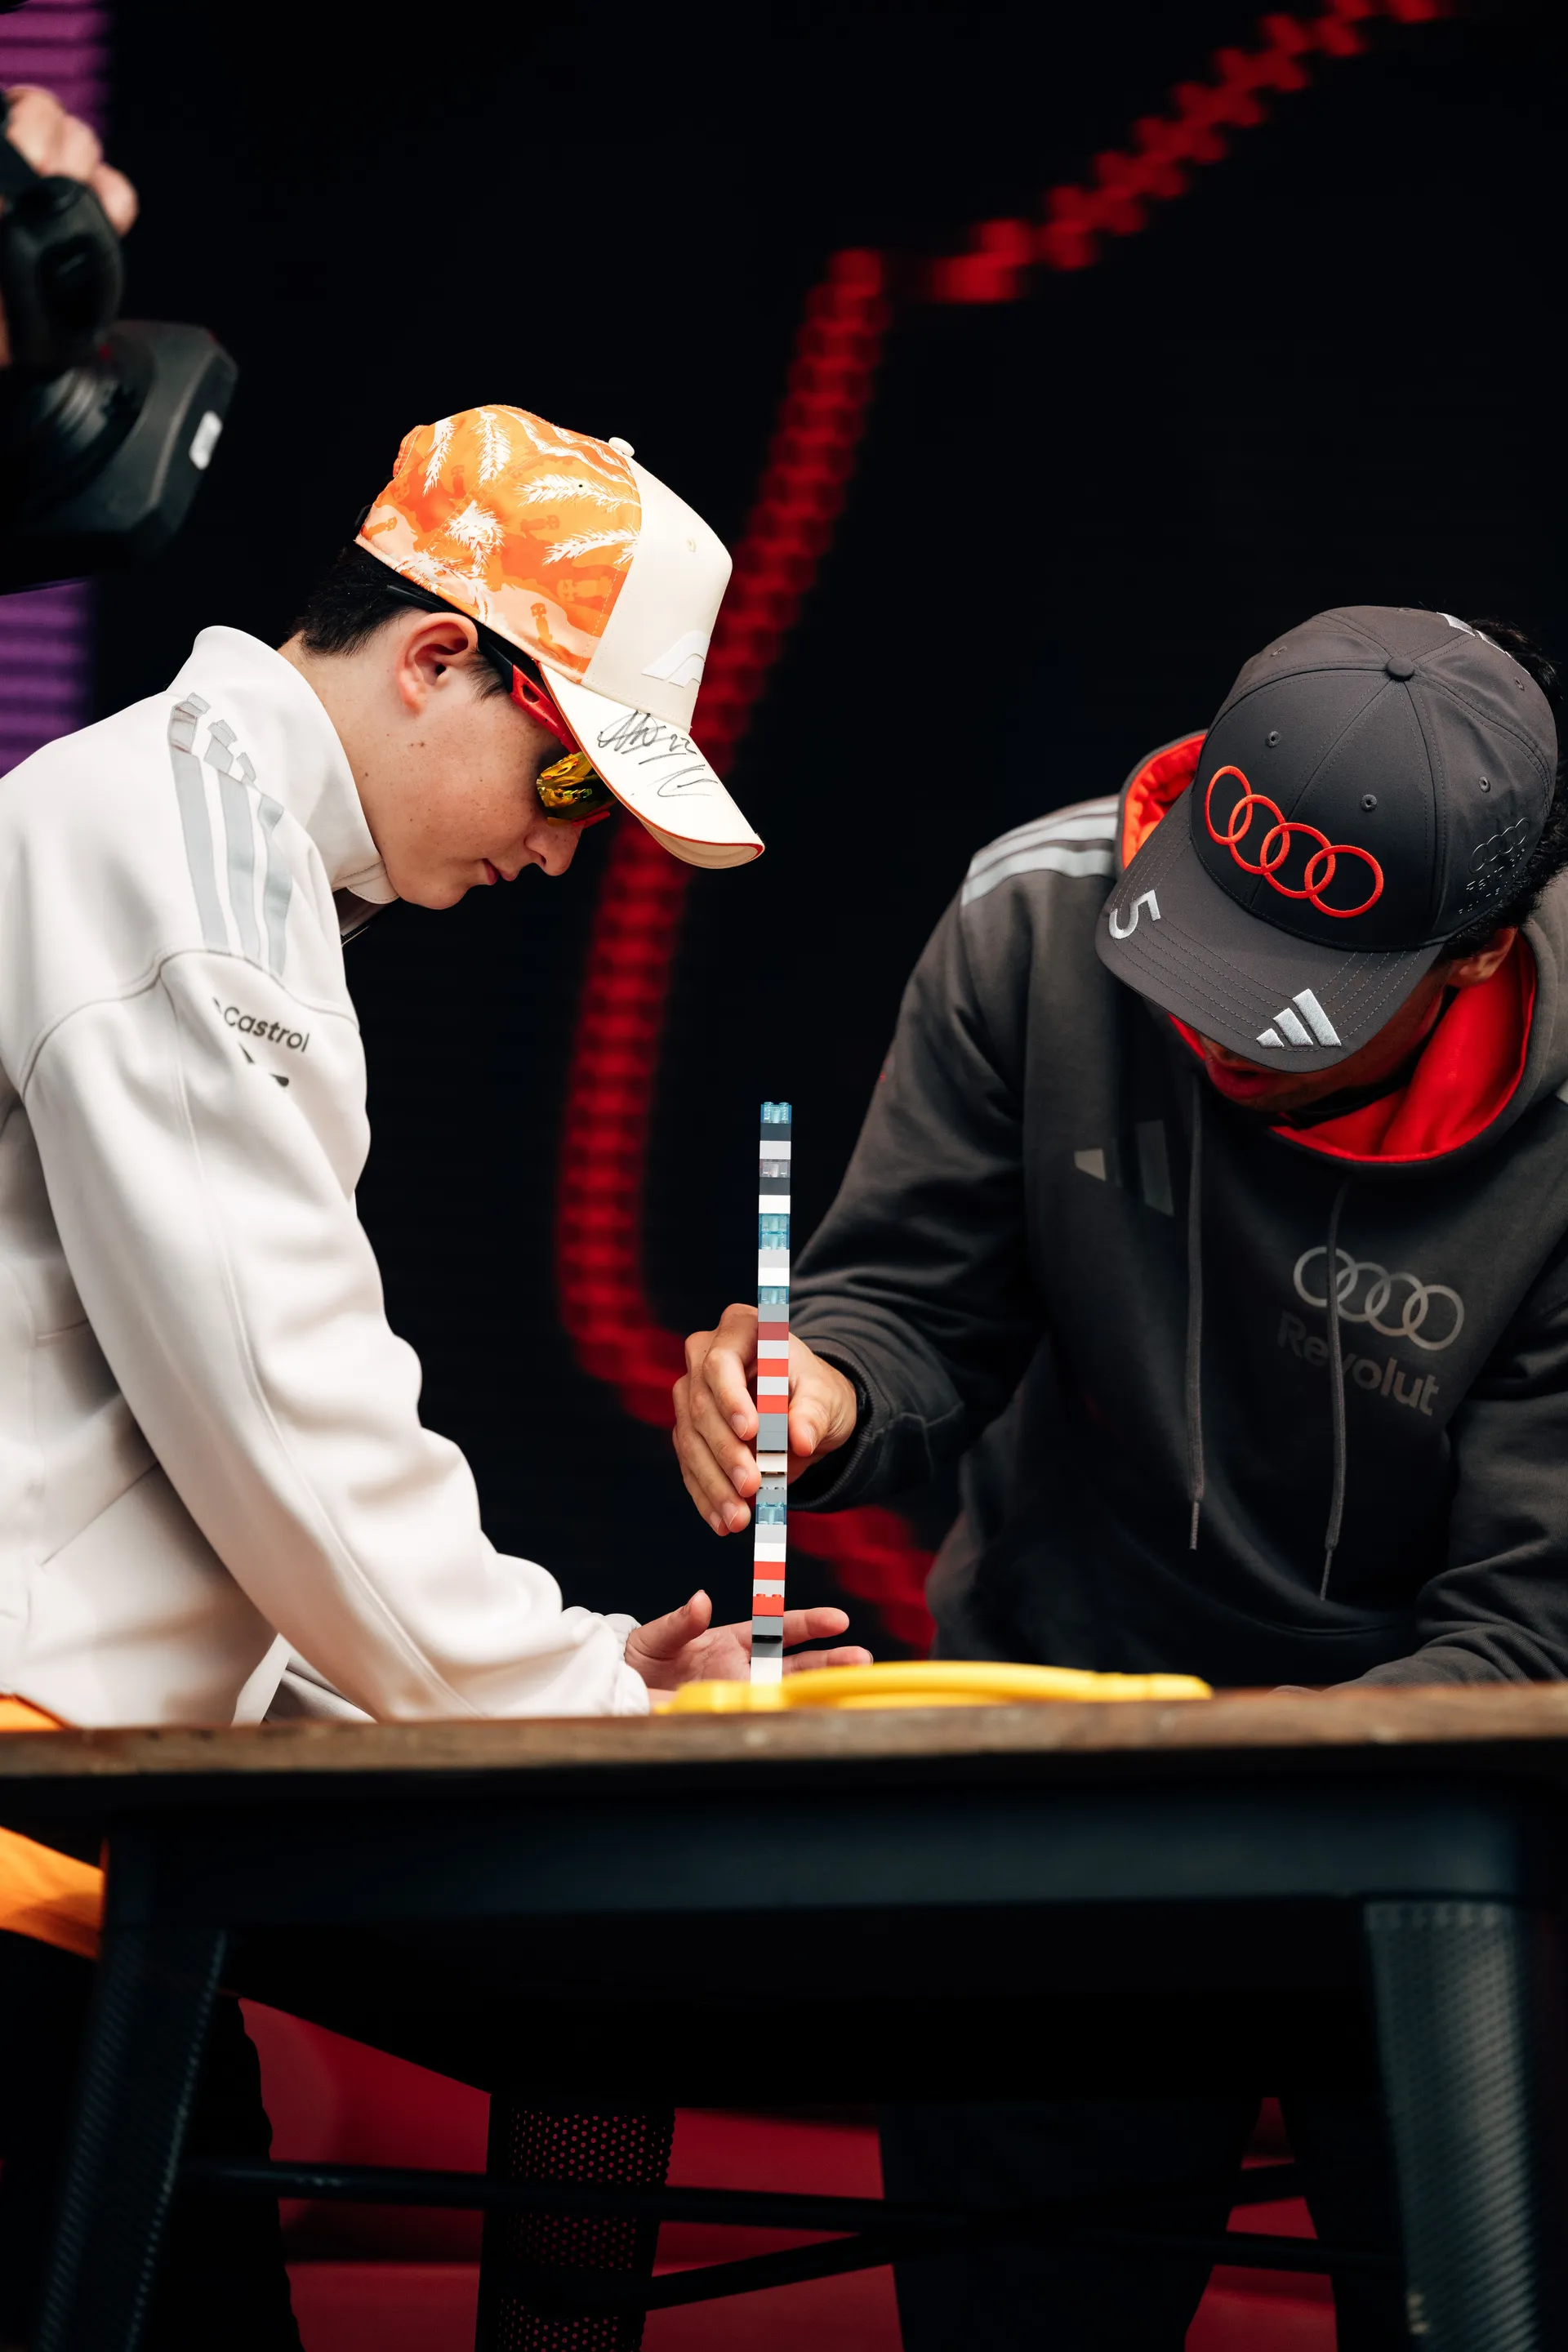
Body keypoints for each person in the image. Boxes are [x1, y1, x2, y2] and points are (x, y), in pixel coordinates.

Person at [0, 403, 866, 2347]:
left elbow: (164, 1493)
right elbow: (283, 1422)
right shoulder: (172, 849)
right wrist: (585, 1705)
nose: (562, 859)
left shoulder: (222, 855)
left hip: (76, 1865)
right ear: (440, 657)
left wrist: (570, 1669)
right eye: (569, 792)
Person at [672, 604, 1568, 2347]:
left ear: (1472, 958)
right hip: (1070, 1782)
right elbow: (912, 1298)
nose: (1217, 1031)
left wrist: (1216, 1791)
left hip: (1456, 1829)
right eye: (1202, 942)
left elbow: (1529, 1636)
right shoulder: (1036, 913)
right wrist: (829, 1390)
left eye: (1293, 1001)